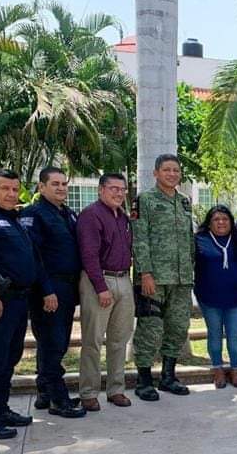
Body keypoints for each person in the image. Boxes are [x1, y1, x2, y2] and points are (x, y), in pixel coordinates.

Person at [0, 169, 56, 439]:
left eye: (15, 189)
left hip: (17, 300)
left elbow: (31, 258)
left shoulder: (12, 217)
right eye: (5, 188)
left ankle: (1, 410)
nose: (11, 194)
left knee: (9, 357)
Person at [20, 167, 86, 417]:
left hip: (67, 288)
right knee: (53, 344)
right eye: (55, 184)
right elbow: (33, 257)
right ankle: (59, 400)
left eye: (64, 184)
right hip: (48, 288)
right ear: (41, 187)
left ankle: (44, 393)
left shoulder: (67, 214)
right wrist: (46, 290)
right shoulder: (33, 214)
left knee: (53, 342)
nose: (61, 188)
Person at [131, 154, 196, 401]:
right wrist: (145, 273)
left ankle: (168, 376)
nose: (172, 174)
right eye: (166, 170)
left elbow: (189, 240)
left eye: (176, 170)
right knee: (150, 328)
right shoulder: (145, 200)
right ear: (156, 173)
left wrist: (190, 272)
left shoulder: (184, 202)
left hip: (181, 279)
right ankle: (144, 380)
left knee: (178, 327)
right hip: (154, 279)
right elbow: (140, 238)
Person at [76, 173, 135, 412]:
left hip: (123, 279)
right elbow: (89, 255)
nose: (118, 193)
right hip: (98, 280)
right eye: (113, 188)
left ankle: (116, 390)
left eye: (122, 189)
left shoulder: (123, 217)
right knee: (93, 340)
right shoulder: (91, 215)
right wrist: (101, 288)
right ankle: (89, 392)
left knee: (119, 339)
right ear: (101, 190)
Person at [194, 205, 237, 389]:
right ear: (209, 223)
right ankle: (218, 369)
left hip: (235, 297)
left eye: (225, 219)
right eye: (216, 219)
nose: (221, 222)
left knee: (235, 336)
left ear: (231, 221)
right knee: (215, 334)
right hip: (209, 296)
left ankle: (235, 370)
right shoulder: (199, 240)